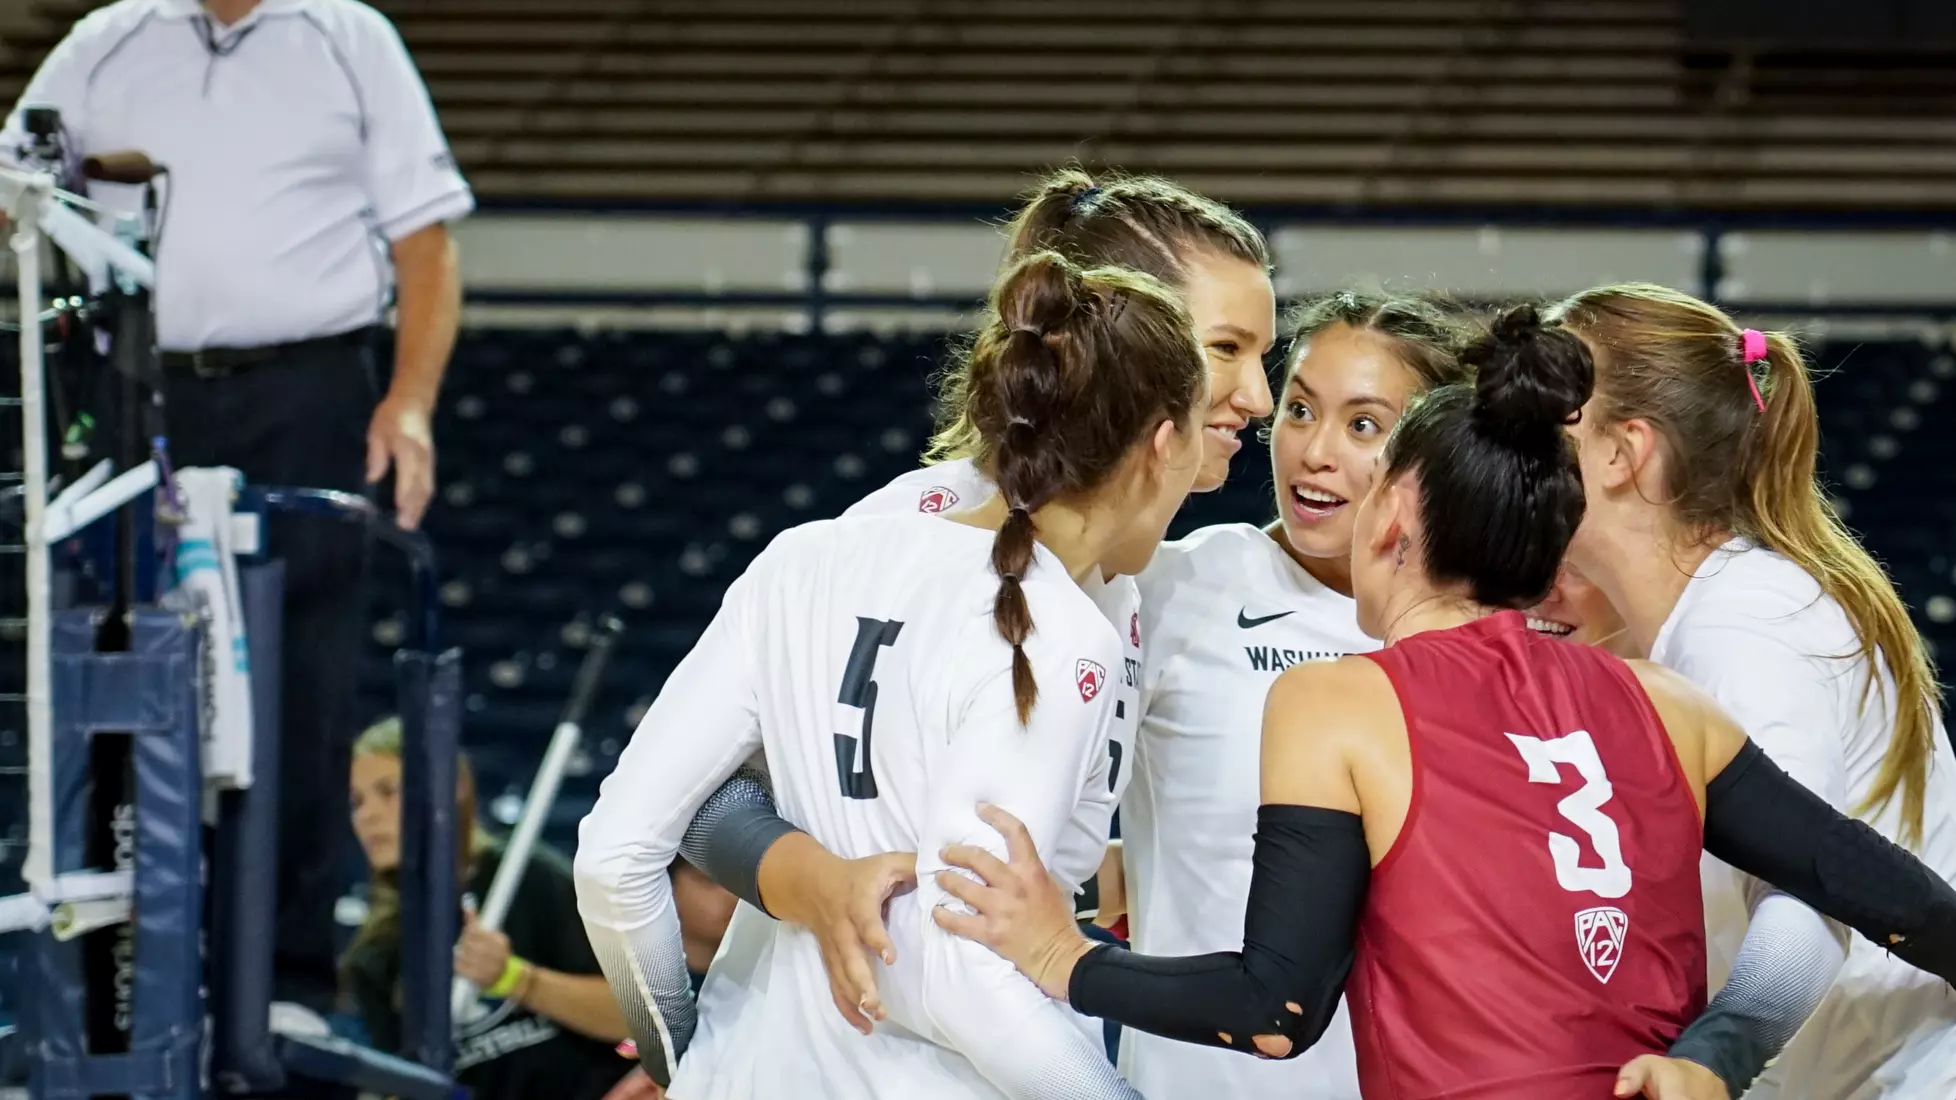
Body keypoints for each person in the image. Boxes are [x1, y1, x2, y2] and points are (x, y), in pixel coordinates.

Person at [931, 306, 1956, 1100]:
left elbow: (1276, 1004)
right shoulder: (1667, 699)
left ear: (1399, 515)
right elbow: (1901, 900)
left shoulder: (1336, 702)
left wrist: (1062, 955)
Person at [573, 251, 1211, 1099]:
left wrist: (684, 1062)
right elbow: (960, 970)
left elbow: (614, 860)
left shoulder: (808, 555)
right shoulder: (1056, 631)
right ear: (1162, 444)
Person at [2, 0, 470, 1012]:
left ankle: (287, 989)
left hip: (307, 395)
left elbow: (425, 247)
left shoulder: (349, 39)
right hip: (133, 390)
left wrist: (412, 404)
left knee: (298, 695)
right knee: (118, 672)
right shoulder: (105, 39)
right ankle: (113, 984)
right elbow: (13, 190)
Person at [1544, 284, 1956, 1098]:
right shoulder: (1690, 617)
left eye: (1548, 420)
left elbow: (1812, 900)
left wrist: (1713, 1056)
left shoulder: (1741, 622)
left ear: (1625, 452)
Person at [341, 718, 631, 1100]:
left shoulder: (525, 874)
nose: (368, 816)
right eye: (357, 802)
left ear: (452, 788)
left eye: (388, 791)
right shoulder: (375, 954)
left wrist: (513, 978)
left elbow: (630, 1016)